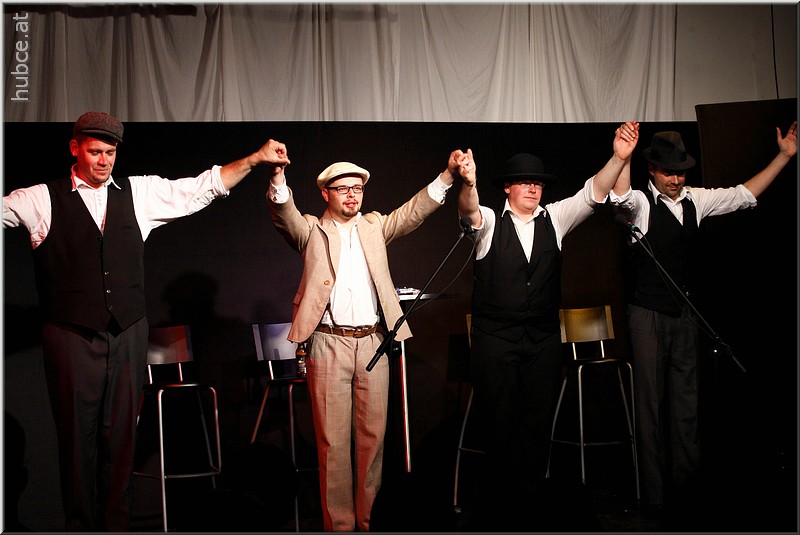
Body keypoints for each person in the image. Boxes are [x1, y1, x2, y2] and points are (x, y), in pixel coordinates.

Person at [2, 111, 290, 531]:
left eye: (111, 152)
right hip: (70, 334)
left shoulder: (138, 193)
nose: (104, 160)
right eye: (95, 152)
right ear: (75, 148)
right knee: (77, 442)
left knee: (121, 440)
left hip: (127, 332)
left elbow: (201, 187)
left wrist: (254, 159)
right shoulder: (42, 199)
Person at [266, 150, 472, 531]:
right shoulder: (312, 230)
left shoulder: (374, 226)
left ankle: (370, 523)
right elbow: (285, 216)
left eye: (357, 189)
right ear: (326, 193)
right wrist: (278, 178)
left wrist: (447, 175)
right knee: (332, 445)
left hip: (373, 343)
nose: (352, 195)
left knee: (373, 442)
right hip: (328, 342)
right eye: (343, 189)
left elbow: (411, 213)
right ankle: (340, 528)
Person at [456, 122, 639, 530]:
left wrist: (619, 158)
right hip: (495, 341)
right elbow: (468, 211)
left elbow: (593, 193)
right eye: (524, 182)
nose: (532, 188)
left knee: (536, 425)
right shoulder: (490, 222)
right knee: (499, 425)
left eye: (537, 183)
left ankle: (532, 508)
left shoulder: (554, 219)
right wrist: (468, 182)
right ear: (507, 187)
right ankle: (500, 513)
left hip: (540, 340)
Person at [609, 122, 797, 517]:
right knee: (650, 406)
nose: (676, 179)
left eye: (680, 172)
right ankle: (655, 498)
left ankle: (688, 491)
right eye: (668, 172)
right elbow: (621, 199)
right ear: (652, 170)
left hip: (685, 315)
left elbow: (744, 195)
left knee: (687, 404)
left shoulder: (696, 199)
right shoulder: (641, 202)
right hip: (646, 314)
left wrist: (783, 157)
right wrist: (622, 158)